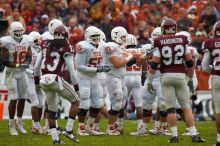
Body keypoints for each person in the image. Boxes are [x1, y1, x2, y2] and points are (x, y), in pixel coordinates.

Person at [146, 18, 205, 143]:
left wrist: (149, 81)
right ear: (174, 28)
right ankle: (194, 135)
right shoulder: (182, 41)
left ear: (163, 28)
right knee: (186, 107)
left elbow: (154, 65)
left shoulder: (159, 41)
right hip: (180, 76)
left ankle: (174, 136)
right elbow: (189, 62)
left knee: (170, 109)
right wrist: (189, 78)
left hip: (166, 77)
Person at [34, 25, 79, 144]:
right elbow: (72, 71)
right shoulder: (66, 45)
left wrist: (36, 82)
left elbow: (36, 67)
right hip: (55, 79)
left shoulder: (45, 43)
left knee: (51, 110)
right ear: (66, 34)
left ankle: (55, 139)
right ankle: (68, 130)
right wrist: (76, 86)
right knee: (76, 101)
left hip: (43, 79)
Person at [75, 26, 111, 136]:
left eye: (97, 36)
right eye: (93, 36)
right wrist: (98, 69)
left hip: (95, 77)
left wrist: (104, 66)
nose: (96, 39)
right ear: (87, 36)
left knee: (98, 103)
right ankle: (80, 128)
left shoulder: (103, 45)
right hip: (84, 77)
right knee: (85, 102)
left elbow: (103, 61)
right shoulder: (83, 46)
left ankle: (88, 126)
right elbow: (79, 66)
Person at [0, 21, 32, 136]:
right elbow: (4, 61)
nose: (19, 33)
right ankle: (11, 124)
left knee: (23, 97)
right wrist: (18, 65)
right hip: (11, 73)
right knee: (13, 98)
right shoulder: (6, 41)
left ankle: (19, 122)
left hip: (22, 72)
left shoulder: (27, 40)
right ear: (11, 31)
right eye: (16, 31)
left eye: (20, 31)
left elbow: (29, 55)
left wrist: (26, 63)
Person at [102, 26, 134, 135]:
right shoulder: (111, 46)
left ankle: (116, 126)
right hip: (112, 76)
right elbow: (117, 64)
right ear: (116, 36)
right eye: (123, 37)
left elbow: (127, 63)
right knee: (117, 102)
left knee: (122, 103)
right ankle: (110, 128)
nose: (125, 39)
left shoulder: (119, 47)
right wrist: (129, 57)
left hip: (120, 77)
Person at [201, 20, 220, 146]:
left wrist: (212, 69)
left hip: (217, 77)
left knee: (219, 111)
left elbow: (204, 66)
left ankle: (219, 140)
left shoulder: (210, 43)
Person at [28, 31, 45, 134]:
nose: (38, 42)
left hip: (39, 78)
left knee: (41, 104)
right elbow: (22, 65)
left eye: (39, 40)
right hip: (29, 77)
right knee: (35, 102)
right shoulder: (27, 49)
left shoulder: (42, 49)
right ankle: (36, 126)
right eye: (36, 40)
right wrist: (31, 71)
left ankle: (36, 126)